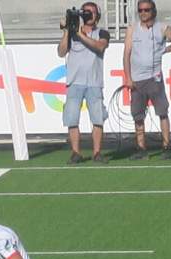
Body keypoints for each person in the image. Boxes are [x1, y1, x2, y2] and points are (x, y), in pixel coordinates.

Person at [122, 0, 171, 160]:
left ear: (153, 11)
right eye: (141, 10)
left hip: (155, 77)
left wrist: (164, 50)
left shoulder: (161, 27)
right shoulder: (132, 29)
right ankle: (141, 149)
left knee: (162, 112)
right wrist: (128, 77)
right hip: (137, 79)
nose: (143, 13)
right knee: (138, 115)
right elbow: (126, 54)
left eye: (146, 10)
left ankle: (166, 147)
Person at [57, 2, 110, 164]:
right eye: (86, 12)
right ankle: (75, 152)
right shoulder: (72, 34)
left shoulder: (102, 32)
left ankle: (97, 152)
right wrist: (67, 31)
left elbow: (100, 47)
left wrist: (80, 35)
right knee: (72, 118)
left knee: (97, 119)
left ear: (97, 16)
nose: (89, 15)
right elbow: (61, 52)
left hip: (94, 81)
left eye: (92, 13)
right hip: (74, 81)